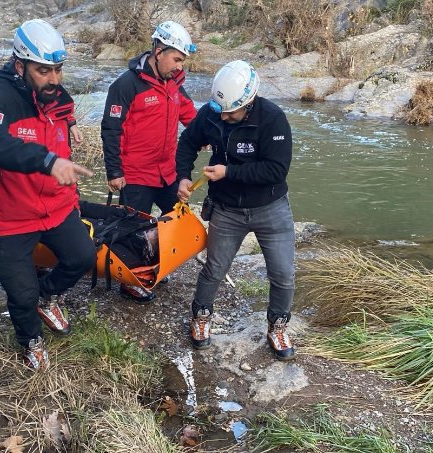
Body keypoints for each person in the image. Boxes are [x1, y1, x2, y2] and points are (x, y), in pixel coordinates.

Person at [0, 19, 95, 369]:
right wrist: (47, 159)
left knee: (83, 257)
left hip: (53, 207)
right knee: (20, 294)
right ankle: (31, 340)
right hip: (5, 217)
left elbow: (64, 105)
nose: (54, 79)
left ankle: (48, 295)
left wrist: (70, 124)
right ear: (19, 65)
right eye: (44, 70)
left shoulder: (54, 92)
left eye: (58, 69)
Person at [176, 60, 296, 360]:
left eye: (232, 111)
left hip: (271, 207)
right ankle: (201, 316)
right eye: (221, 110)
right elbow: (187, 143)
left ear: (250, 102)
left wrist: (229, 173)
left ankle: (278, 325)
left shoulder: (272, 119)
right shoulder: (213, 113)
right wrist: (183, 175)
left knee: (283, 274)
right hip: (227, 209)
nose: (225, 116)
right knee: (215, 268)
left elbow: (276, 170)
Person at [101, 20, 197, 304]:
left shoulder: (176, 84)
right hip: (135, 174)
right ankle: (129, 280)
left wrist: (208, 134)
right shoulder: (126, 85)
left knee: (175, 222)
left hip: (167, 172)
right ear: (158, 51)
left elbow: (191, 116)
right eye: (176, 59)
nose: (179, 66)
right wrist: (114, 171)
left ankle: (156, 265)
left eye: (182, 61)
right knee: (133, 229)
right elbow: (111, 128)